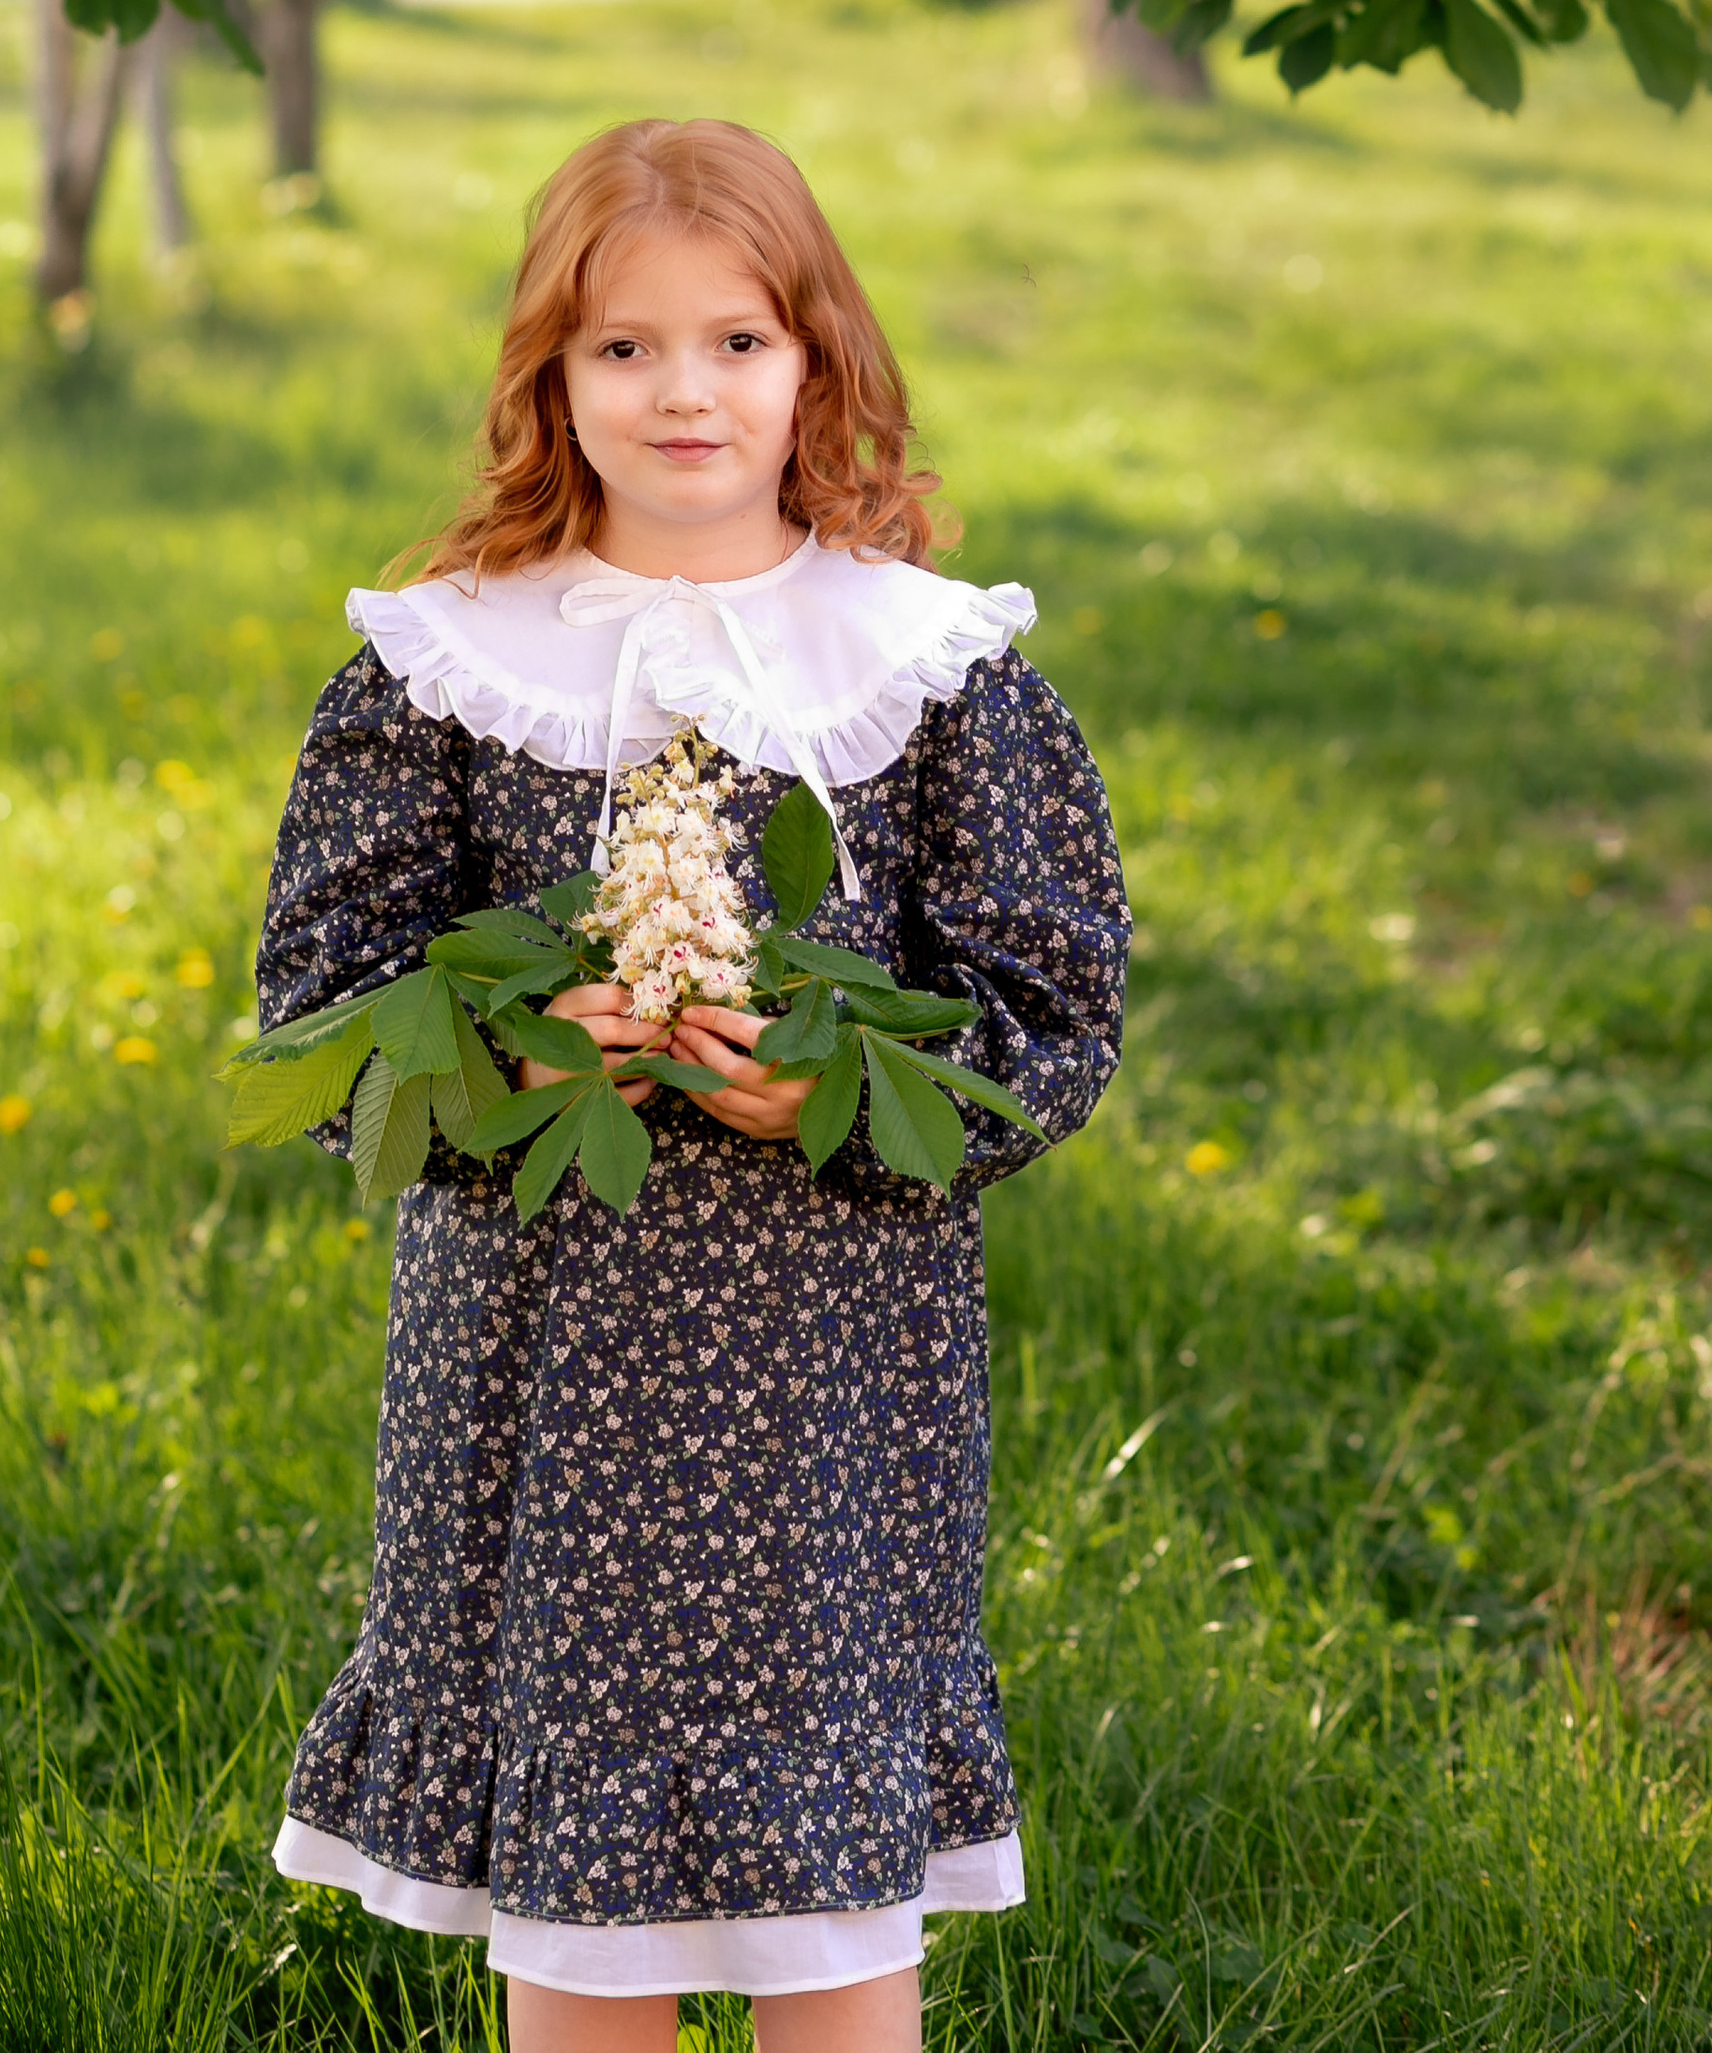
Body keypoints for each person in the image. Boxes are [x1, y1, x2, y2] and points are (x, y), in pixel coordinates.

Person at [255, 117, 1129, 2052]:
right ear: (550, 382)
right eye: (624, 348)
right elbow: (322, 1018)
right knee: (576, 1953)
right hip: (544, 1381)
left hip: (827, 1391)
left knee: (835, 1937)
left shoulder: (928, 672)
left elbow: (1053, 1016)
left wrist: (832, 1086)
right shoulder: (440, 670)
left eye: (736, 341)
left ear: (815, 355)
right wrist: (511, 1049)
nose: (683, 392)